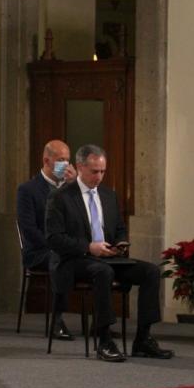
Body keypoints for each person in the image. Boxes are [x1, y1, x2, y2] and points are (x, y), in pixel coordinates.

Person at [45, 144, 173, 362]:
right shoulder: (61, 197)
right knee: (103, 272)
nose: (99, 176)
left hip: (107, 257)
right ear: (80, 167)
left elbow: (119, 228)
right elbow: (54, 239)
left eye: (103, 171)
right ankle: (104, 340)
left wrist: (120, 243)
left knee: (150, 271)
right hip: (74, 260)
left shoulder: (108, 195)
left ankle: (143, 339)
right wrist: (88, 247)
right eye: (94, 171)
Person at [16, 140, 77, 340]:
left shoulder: (71, 188)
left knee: (97, 260)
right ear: (46, 161)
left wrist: (76, 187)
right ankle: (56, 320)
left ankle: (101, 322)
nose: (66, 165)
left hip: (66, 247)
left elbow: (81, 219)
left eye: (68, 160)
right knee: (60, 260)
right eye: (61, 160)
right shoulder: (28, 190)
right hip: (39, 250)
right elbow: (29, 229)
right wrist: (56, 245)